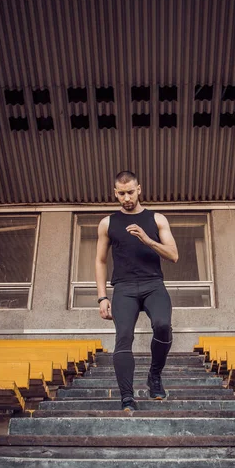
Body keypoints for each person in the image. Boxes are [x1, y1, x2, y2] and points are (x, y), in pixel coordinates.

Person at [95, 170, 179, 411]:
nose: (126, 198)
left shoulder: (157, 219)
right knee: (123, 338)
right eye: (121, 193)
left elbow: (174, 255)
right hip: (124, 288)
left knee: (163, 325)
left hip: (153, 284)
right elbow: (100, 261)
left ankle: (154, 376)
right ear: (115, 193)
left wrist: (148, 240)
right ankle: (127, 396)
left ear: (139, 189)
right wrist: (102, 297)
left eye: (130, 192)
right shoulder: (107, 223)